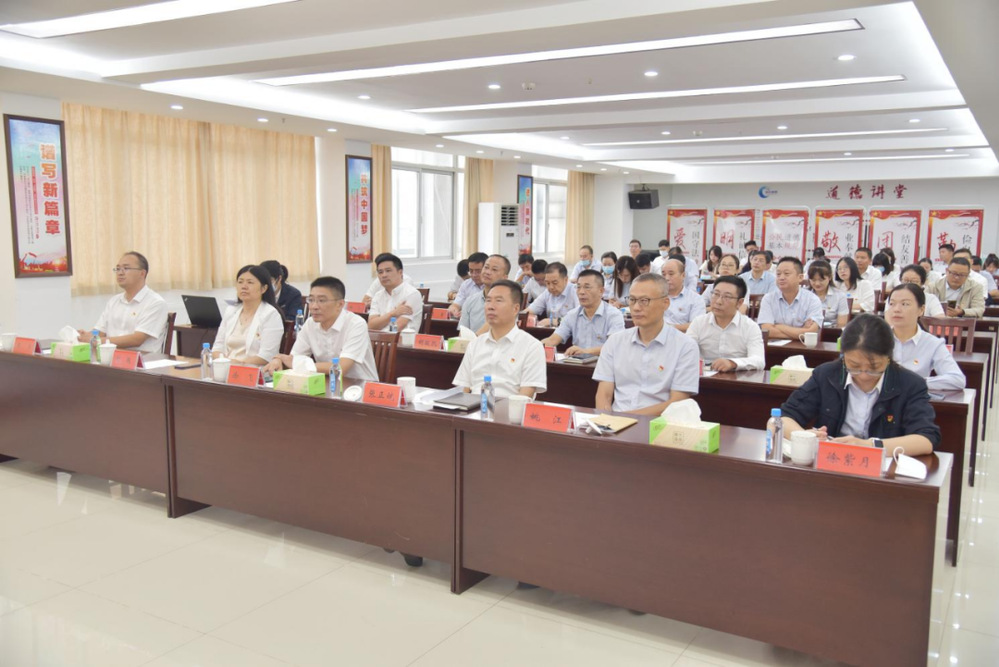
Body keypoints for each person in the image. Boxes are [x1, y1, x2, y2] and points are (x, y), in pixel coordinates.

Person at [779, 314, 941, 456]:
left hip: (883, 471)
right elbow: (782, 419)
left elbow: (926, 439)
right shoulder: (827, 375)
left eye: (874, 368)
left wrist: (869, 445)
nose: (863, 375)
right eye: (854, 366)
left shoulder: (910, 384)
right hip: (832, 463)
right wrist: (805, 437)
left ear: (889, 358)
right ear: (843, 356)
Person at [593, 273, 700, 415]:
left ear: (665, 303)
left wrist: (626, 419)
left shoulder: (685, 346)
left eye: (644, 301)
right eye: (632, 300)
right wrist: (605, 420)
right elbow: (604, 395)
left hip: (658, 424)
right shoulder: (615, 342)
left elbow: (677, 402)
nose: (636, 307)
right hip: (616, 423)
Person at [263, 276, 378, 380]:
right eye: (311, 300)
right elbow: (294, 357)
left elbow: (341, 367)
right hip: (325, 383)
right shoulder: (310, 324)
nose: (314, 306)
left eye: (321, 300)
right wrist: (278, 359)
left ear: (340, 304)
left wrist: (299, 364)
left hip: (359, 387)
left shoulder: (356, 324)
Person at [453, 279, 546, 398]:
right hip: (474, 407)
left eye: (498, 301)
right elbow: (462, 389)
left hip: (510, 408)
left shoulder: (532, 346)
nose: (490, 306)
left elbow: (524, 398)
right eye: (488, 301)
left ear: (515, 309)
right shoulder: (475, 344)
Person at [82, 251, 168, 354]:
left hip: (142, 360)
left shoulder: (155, 303)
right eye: (118, 269)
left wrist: (98, 341)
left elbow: (137, 339)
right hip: (111, 358)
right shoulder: (114, 301)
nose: (120, 273)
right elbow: (99, 332)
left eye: (126, 268)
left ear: (142, 273)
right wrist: (84, 336)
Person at [885, 284, 965, 392]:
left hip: (913, 399)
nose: (896, 309)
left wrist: (915, 382)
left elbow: (957, 380)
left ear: (921, 310)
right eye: (892, 304)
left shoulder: (932, 343)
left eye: (905, 304)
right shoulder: (876, 338)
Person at [686, 275, 764, 371]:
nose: (718, 301)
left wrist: (732, 363)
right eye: (716, 294)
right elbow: (685, 352)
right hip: (703, 377)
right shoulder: (699, 322)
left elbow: (759, 360)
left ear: (739, 303)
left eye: (727, 297)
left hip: (737, 377)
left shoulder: (750, 327)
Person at [541, 269, 625, 357]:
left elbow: (614, 346)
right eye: (578, 287)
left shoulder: (614, 315)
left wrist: (585, 351)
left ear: (601, 291)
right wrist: (535, 346)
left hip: (604, 364)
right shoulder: (572, 315)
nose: (581, 292)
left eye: (587, 287)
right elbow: (553, 340)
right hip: (577, 364)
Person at [212, 264, 284, 365]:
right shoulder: (231, 311)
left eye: (250, 282)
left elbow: (266, 356)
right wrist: (225, 363)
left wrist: (238, 364)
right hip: (227, 368)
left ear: (264, 288)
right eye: (240, 282)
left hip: (255, 371)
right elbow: (217, 348)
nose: (244, 286)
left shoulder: (271, 315)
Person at [757, 257, 823, 340]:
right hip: (774, 347)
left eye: (786, 274)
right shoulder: (768, 298)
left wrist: (779, 326)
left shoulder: (812, 300)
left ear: (800, 277)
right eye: (778, 274)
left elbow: (810, 333)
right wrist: (801, 332)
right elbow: (767, 330)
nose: (781, 277)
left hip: (803, 346)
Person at [367, 253, 424, 332]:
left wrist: (380, 323)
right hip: (378, 339)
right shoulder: (378, 296)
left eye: (388, 271)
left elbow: (397, 328)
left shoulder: (411, 294)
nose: (384, 275)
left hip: (402, 339)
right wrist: (393, 313)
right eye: (380, 272)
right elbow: (371, 326)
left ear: (400, 272)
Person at [459, 254, 510, 333]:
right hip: (472, 341)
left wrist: (475, 338)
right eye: (486, 267)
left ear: (504, 277)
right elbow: (462, 333)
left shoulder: (509, 302)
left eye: (494, 269)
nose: (487, 272)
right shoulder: (470, 300)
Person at [661, 255, 705, 332]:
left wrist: (669, 328)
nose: (667, 278)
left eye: (671, 274)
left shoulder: (695, 299)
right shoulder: (655, 297)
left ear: (683, 275)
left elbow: (697, 325)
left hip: (683, 337)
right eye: (663, 274)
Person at [527, 262, 579, 326]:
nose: (551, 287)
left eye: (555, 283)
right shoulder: (547, 293)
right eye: (547, 283)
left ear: (565, 280)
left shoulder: (576, 292)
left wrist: (553, 321)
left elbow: (580, 319)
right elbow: (530, 310)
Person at [807, 260, 848, 327]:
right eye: (813, 280)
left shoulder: (840, 296)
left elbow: (841, 324)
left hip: (831, 331)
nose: (817, 283)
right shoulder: (804, 295)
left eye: (821, 280)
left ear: (830, 277)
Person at [447, 252, 488, 317]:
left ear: (487, 269)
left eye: (478, 271)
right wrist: (453, 309)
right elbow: (456, 304)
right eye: (471, 271)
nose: (474, 275)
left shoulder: (494, 286)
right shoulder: (466, 284)